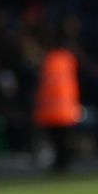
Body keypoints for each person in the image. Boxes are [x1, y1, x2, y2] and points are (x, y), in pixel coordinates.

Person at [34, 36, 82, 172]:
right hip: (67, 107)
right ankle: (64, 162)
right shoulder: (68, 59)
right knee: (64, 139)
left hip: (51, 109)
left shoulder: (48, 60)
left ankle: (60, 163)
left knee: (57, 140)